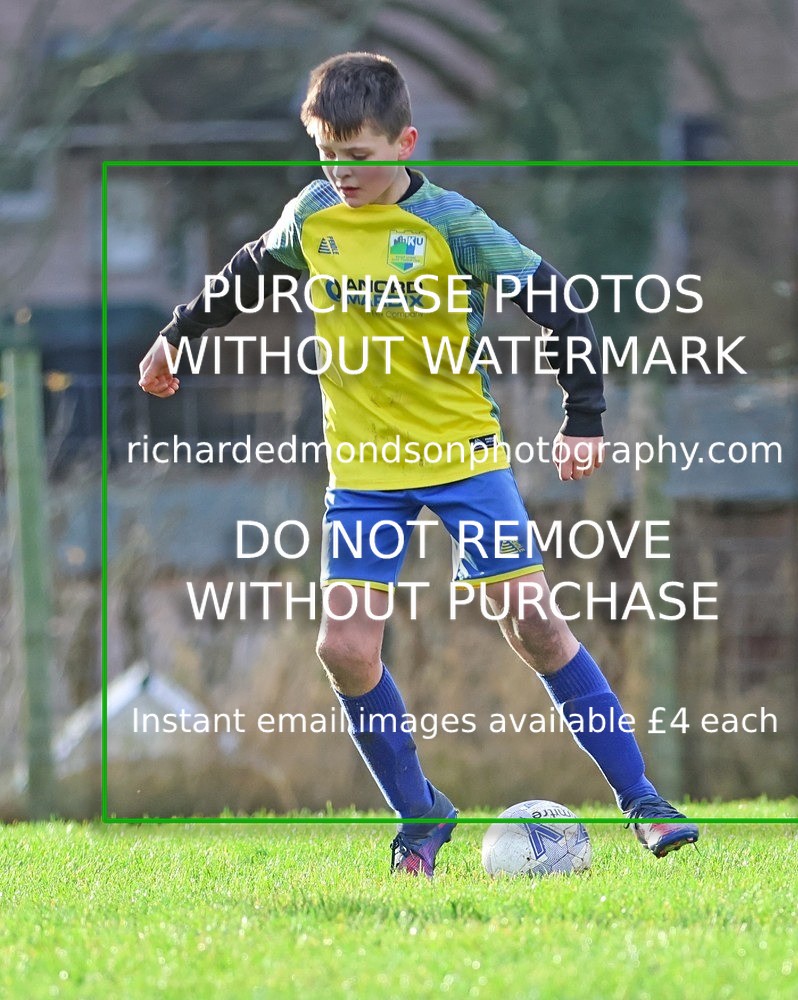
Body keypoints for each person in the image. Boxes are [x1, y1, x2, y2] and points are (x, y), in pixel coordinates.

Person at [138, 51, 697, 876]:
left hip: (464, 459)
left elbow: (559, 303)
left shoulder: (453, 225)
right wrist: (175, 338)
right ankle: (422, 818)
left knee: (536, 625)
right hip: (364, 474)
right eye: (326, 155)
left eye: (357, 157)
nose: (340, 174)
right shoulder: (311, 217)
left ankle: (644, 803)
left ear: (404, 143)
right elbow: (243, 275)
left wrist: (585, 419)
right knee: (345, 648)